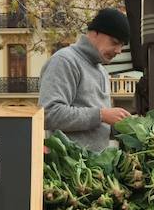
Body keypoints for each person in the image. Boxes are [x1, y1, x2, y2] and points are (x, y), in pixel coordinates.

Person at [39, 8, 131, 152]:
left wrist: (124, 125)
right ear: (95, 33)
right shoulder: (64, 61)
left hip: (95, 170)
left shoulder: (102, 71)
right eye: (114, 42)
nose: (118, 50)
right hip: (68, 171)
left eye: (122, 45)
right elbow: (49, 114)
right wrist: (101, 115)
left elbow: (98, 124)